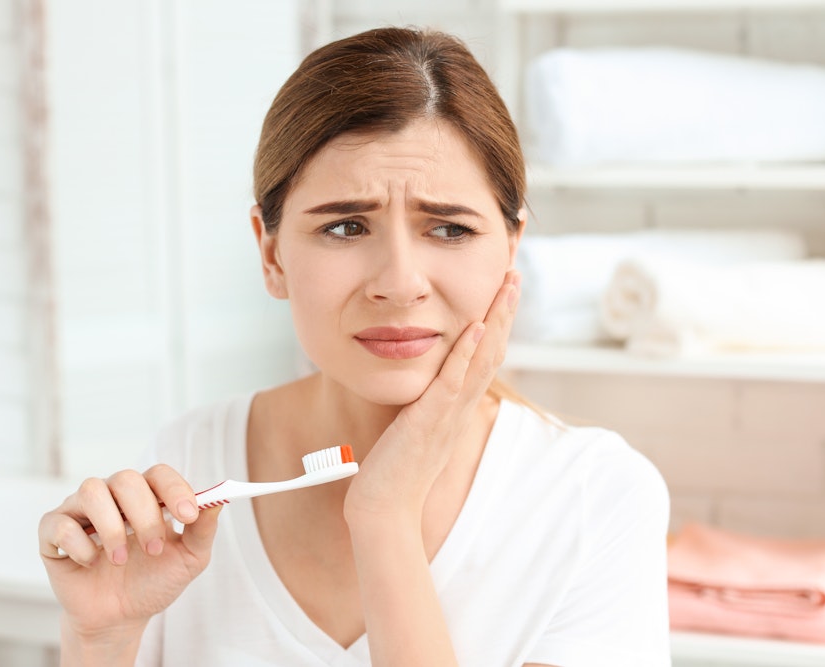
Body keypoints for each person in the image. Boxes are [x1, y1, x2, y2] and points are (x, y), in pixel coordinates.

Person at [38, 26, 671, 667]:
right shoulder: (188, 466)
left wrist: (385, 517)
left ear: (511, 248)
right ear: (271, 254)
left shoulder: (595, 497)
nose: (399, 282)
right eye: (345, 227)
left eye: (449, 229)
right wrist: (101, 639)